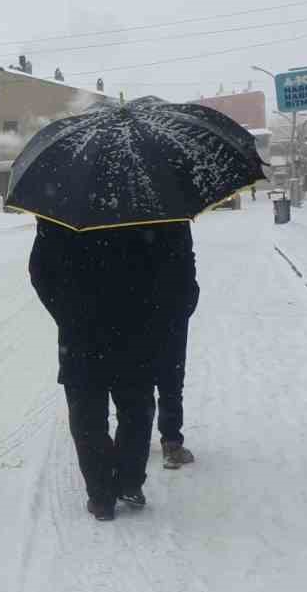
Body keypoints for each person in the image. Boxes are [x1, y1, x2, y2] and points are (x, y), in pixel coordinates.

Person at [29, 219, 199, 520]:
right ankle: (129, 481)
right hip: (136, 328)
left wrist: (66, 313)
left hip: (81, 335)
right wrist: (163, 313)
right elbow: (180, 268)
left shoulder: (63, 206)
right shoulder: (156, 205)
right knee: (136, 409)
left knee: (87, 416)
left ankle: (101, 495)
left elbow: (40, 271)